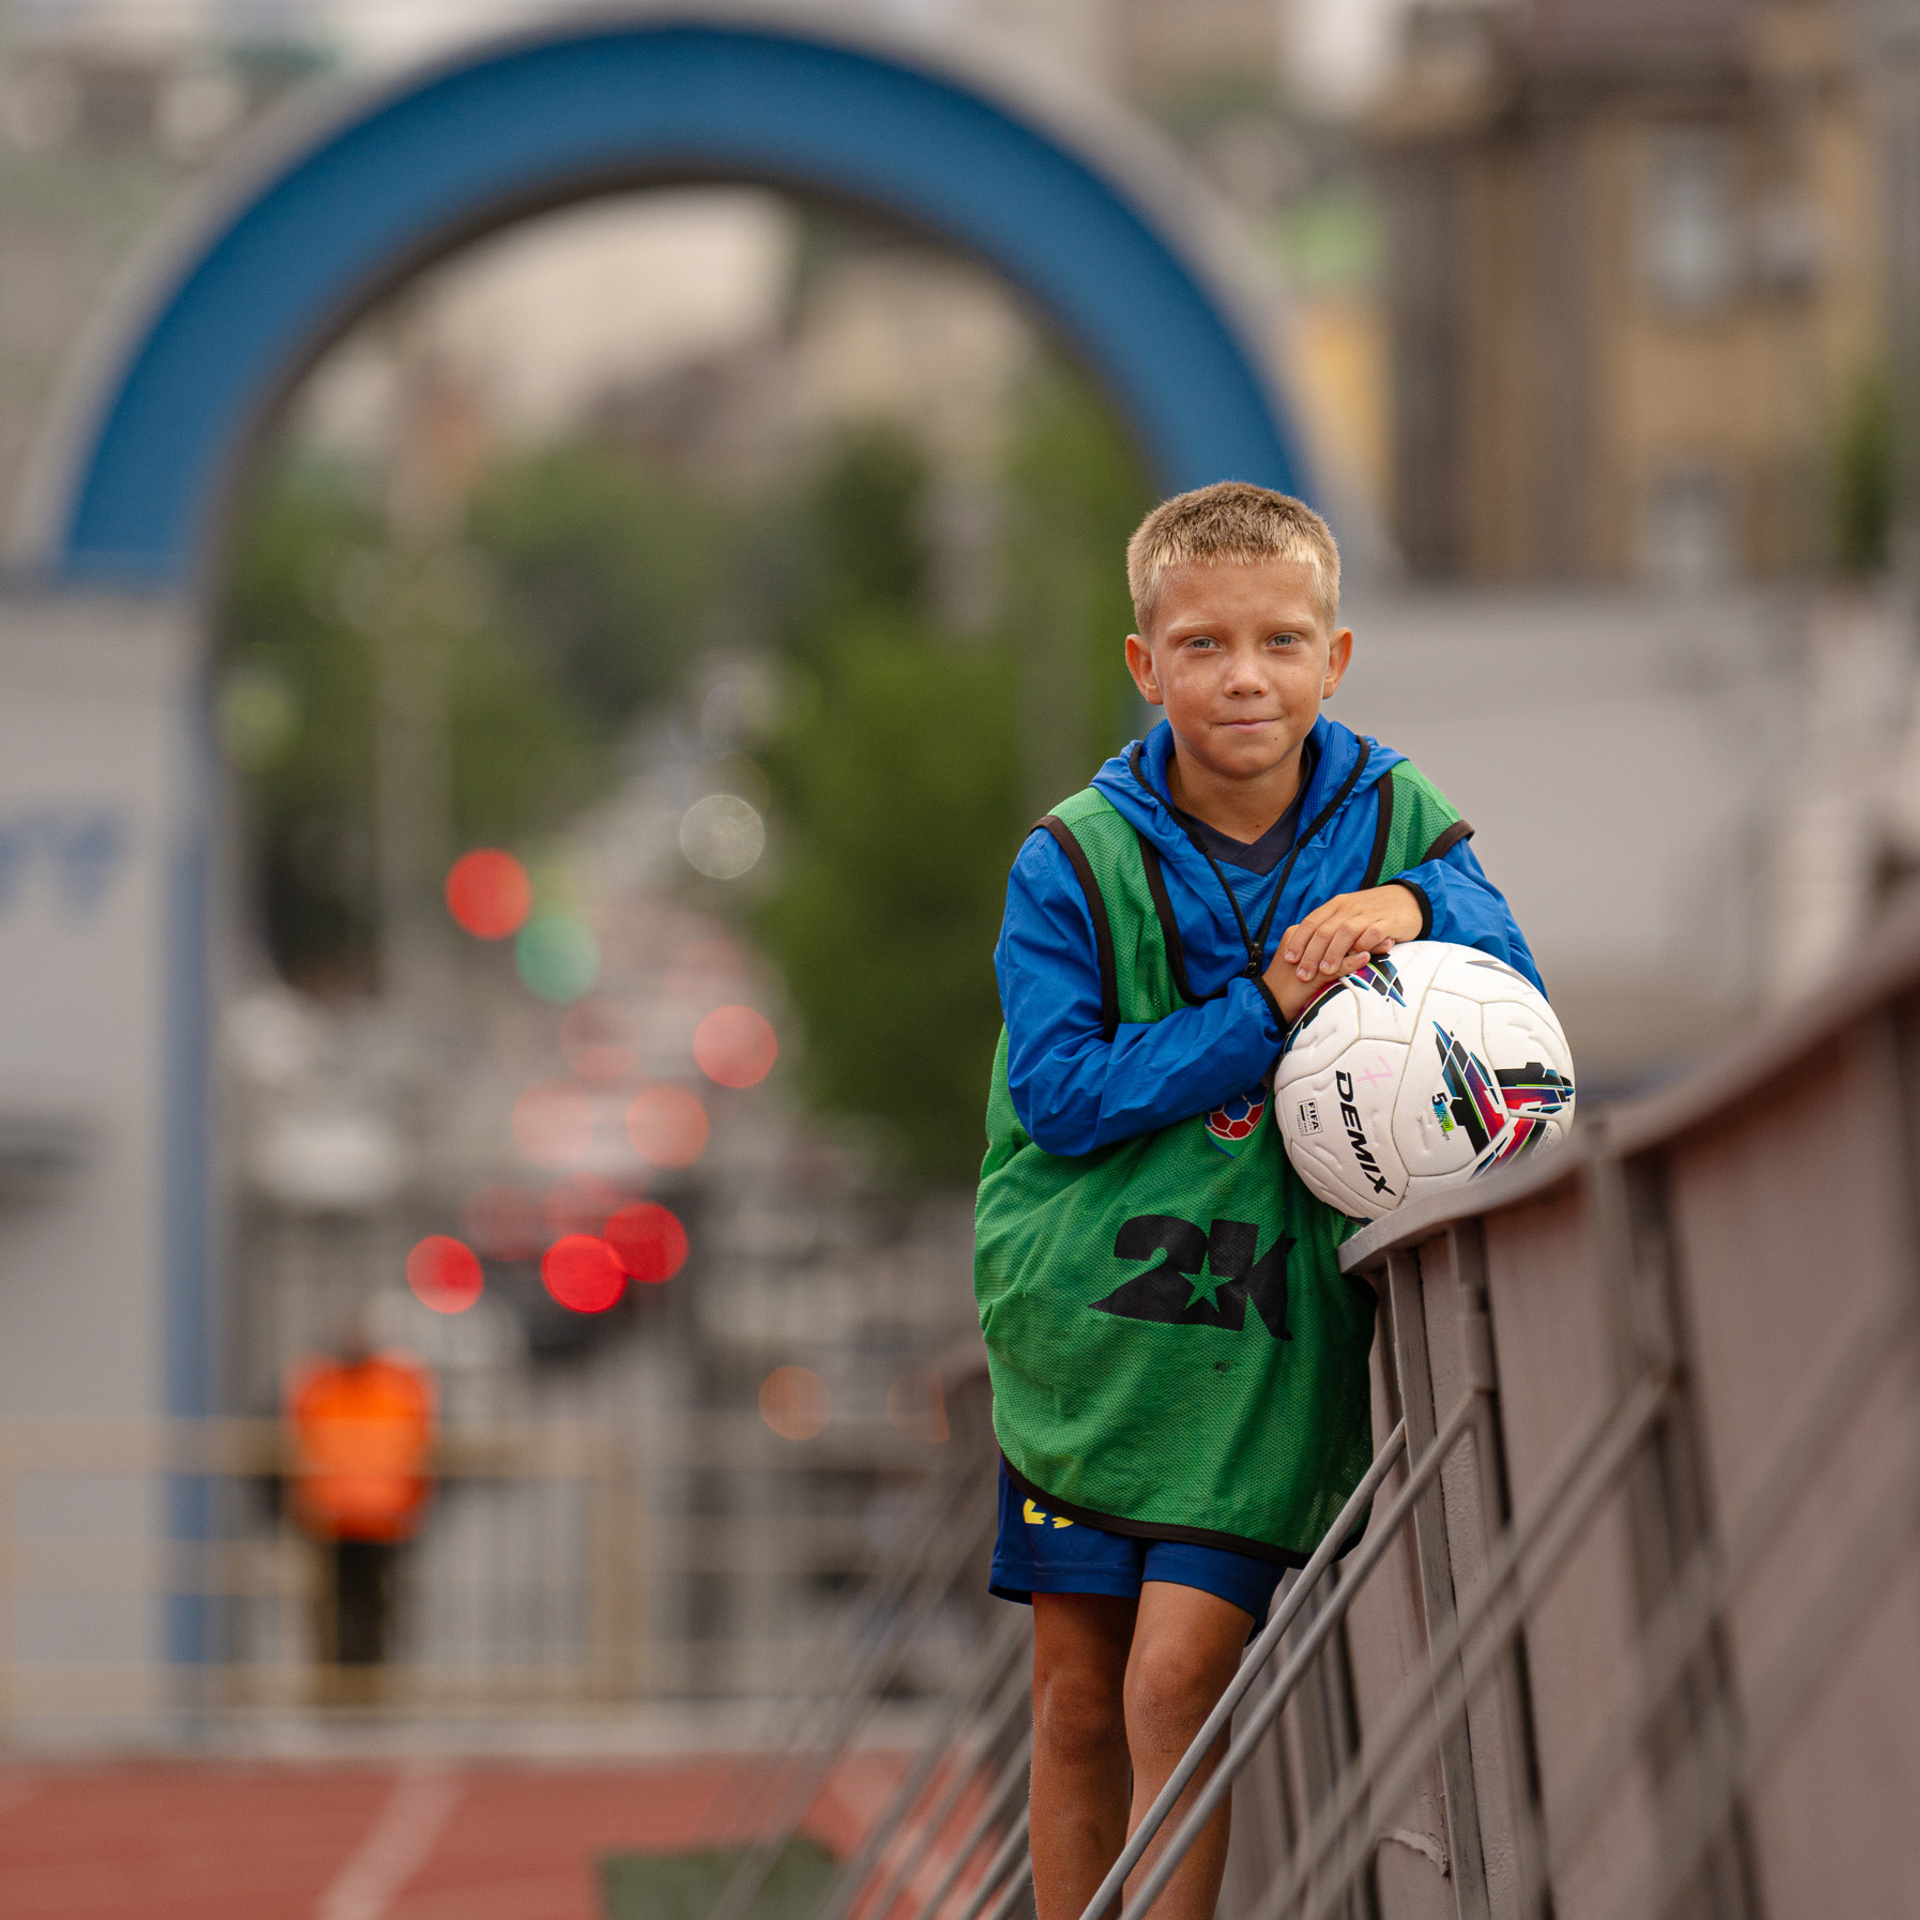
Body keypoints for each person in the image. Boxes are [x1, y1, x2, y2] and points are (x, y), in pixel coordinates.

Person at [974, 483, 1540, 1920]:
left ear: (1334, 660)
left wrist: (1415, 910)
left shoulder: (1393, 813)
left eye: (1282, 642)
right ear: (1144, 661)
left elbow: (1511, 982)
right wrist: (1263, 1010)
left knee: (1179, 1674)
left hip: (1266, 1340)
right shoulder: (1071, 858)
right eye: (1206, 644)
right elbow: (1061, 1093)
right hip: (1094, 1327)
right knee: (1075, 1702)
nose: (1246, 677)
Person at [287, 1334, 436, 1690]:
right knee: (342, 1606)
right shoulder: (332, 1386)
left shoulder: (336, 1386)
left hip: (375, 1519)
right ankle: (346, 1684)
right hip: (342, 1518)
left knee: (368, 1605)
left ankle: (361, 1684)